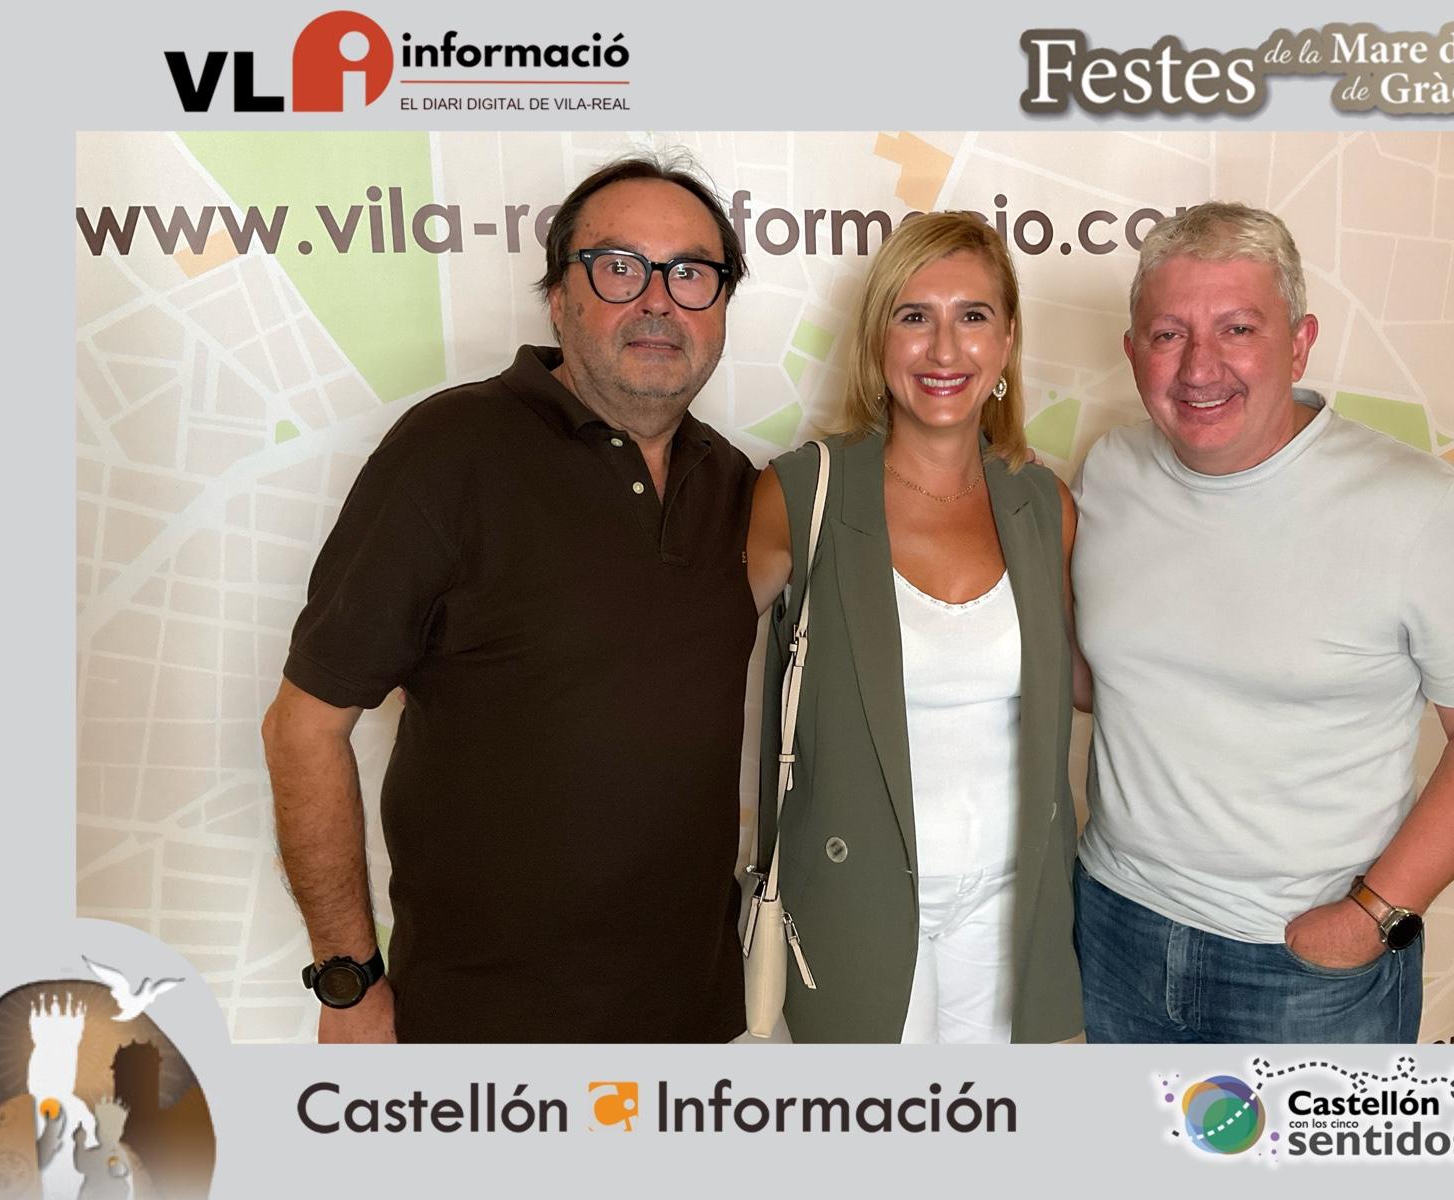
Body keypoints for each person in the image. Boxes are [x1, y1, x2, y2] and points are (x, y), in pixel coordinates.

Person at [261, 152, 757, 1043]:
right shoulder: (449, 451)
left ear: (721, 305)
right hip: (481, 1033)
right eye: (620, 267)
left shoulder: (736, 486)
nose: (658, 301)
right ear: (560, 297)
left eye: (691, 274)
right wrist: (348, 980)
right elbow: (304, 728)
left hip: (695, 1023)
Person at [1071, 202, 1454, 1044]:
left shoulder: (1415, 506)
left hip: (1303, 967)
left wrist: (1371, 917)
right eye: (1170, 334)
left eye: (1238, 328)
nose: (1200, 367)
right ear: (1133, 351)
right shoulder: (1109, 471)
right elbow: (1104, 679)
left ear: (1299, 343)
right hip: (1115, 926)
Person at [745, 212, 1086, 1043]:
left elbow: (1080, 685)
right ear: (878, 340)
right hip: (853, 896)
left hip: (1009, 901)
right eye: (914, 316)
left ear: (1006, 341)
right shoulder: (802, 495)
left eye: (972, 316)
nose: (944, 349)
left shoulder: (1043, 504)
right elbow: (687, 671)